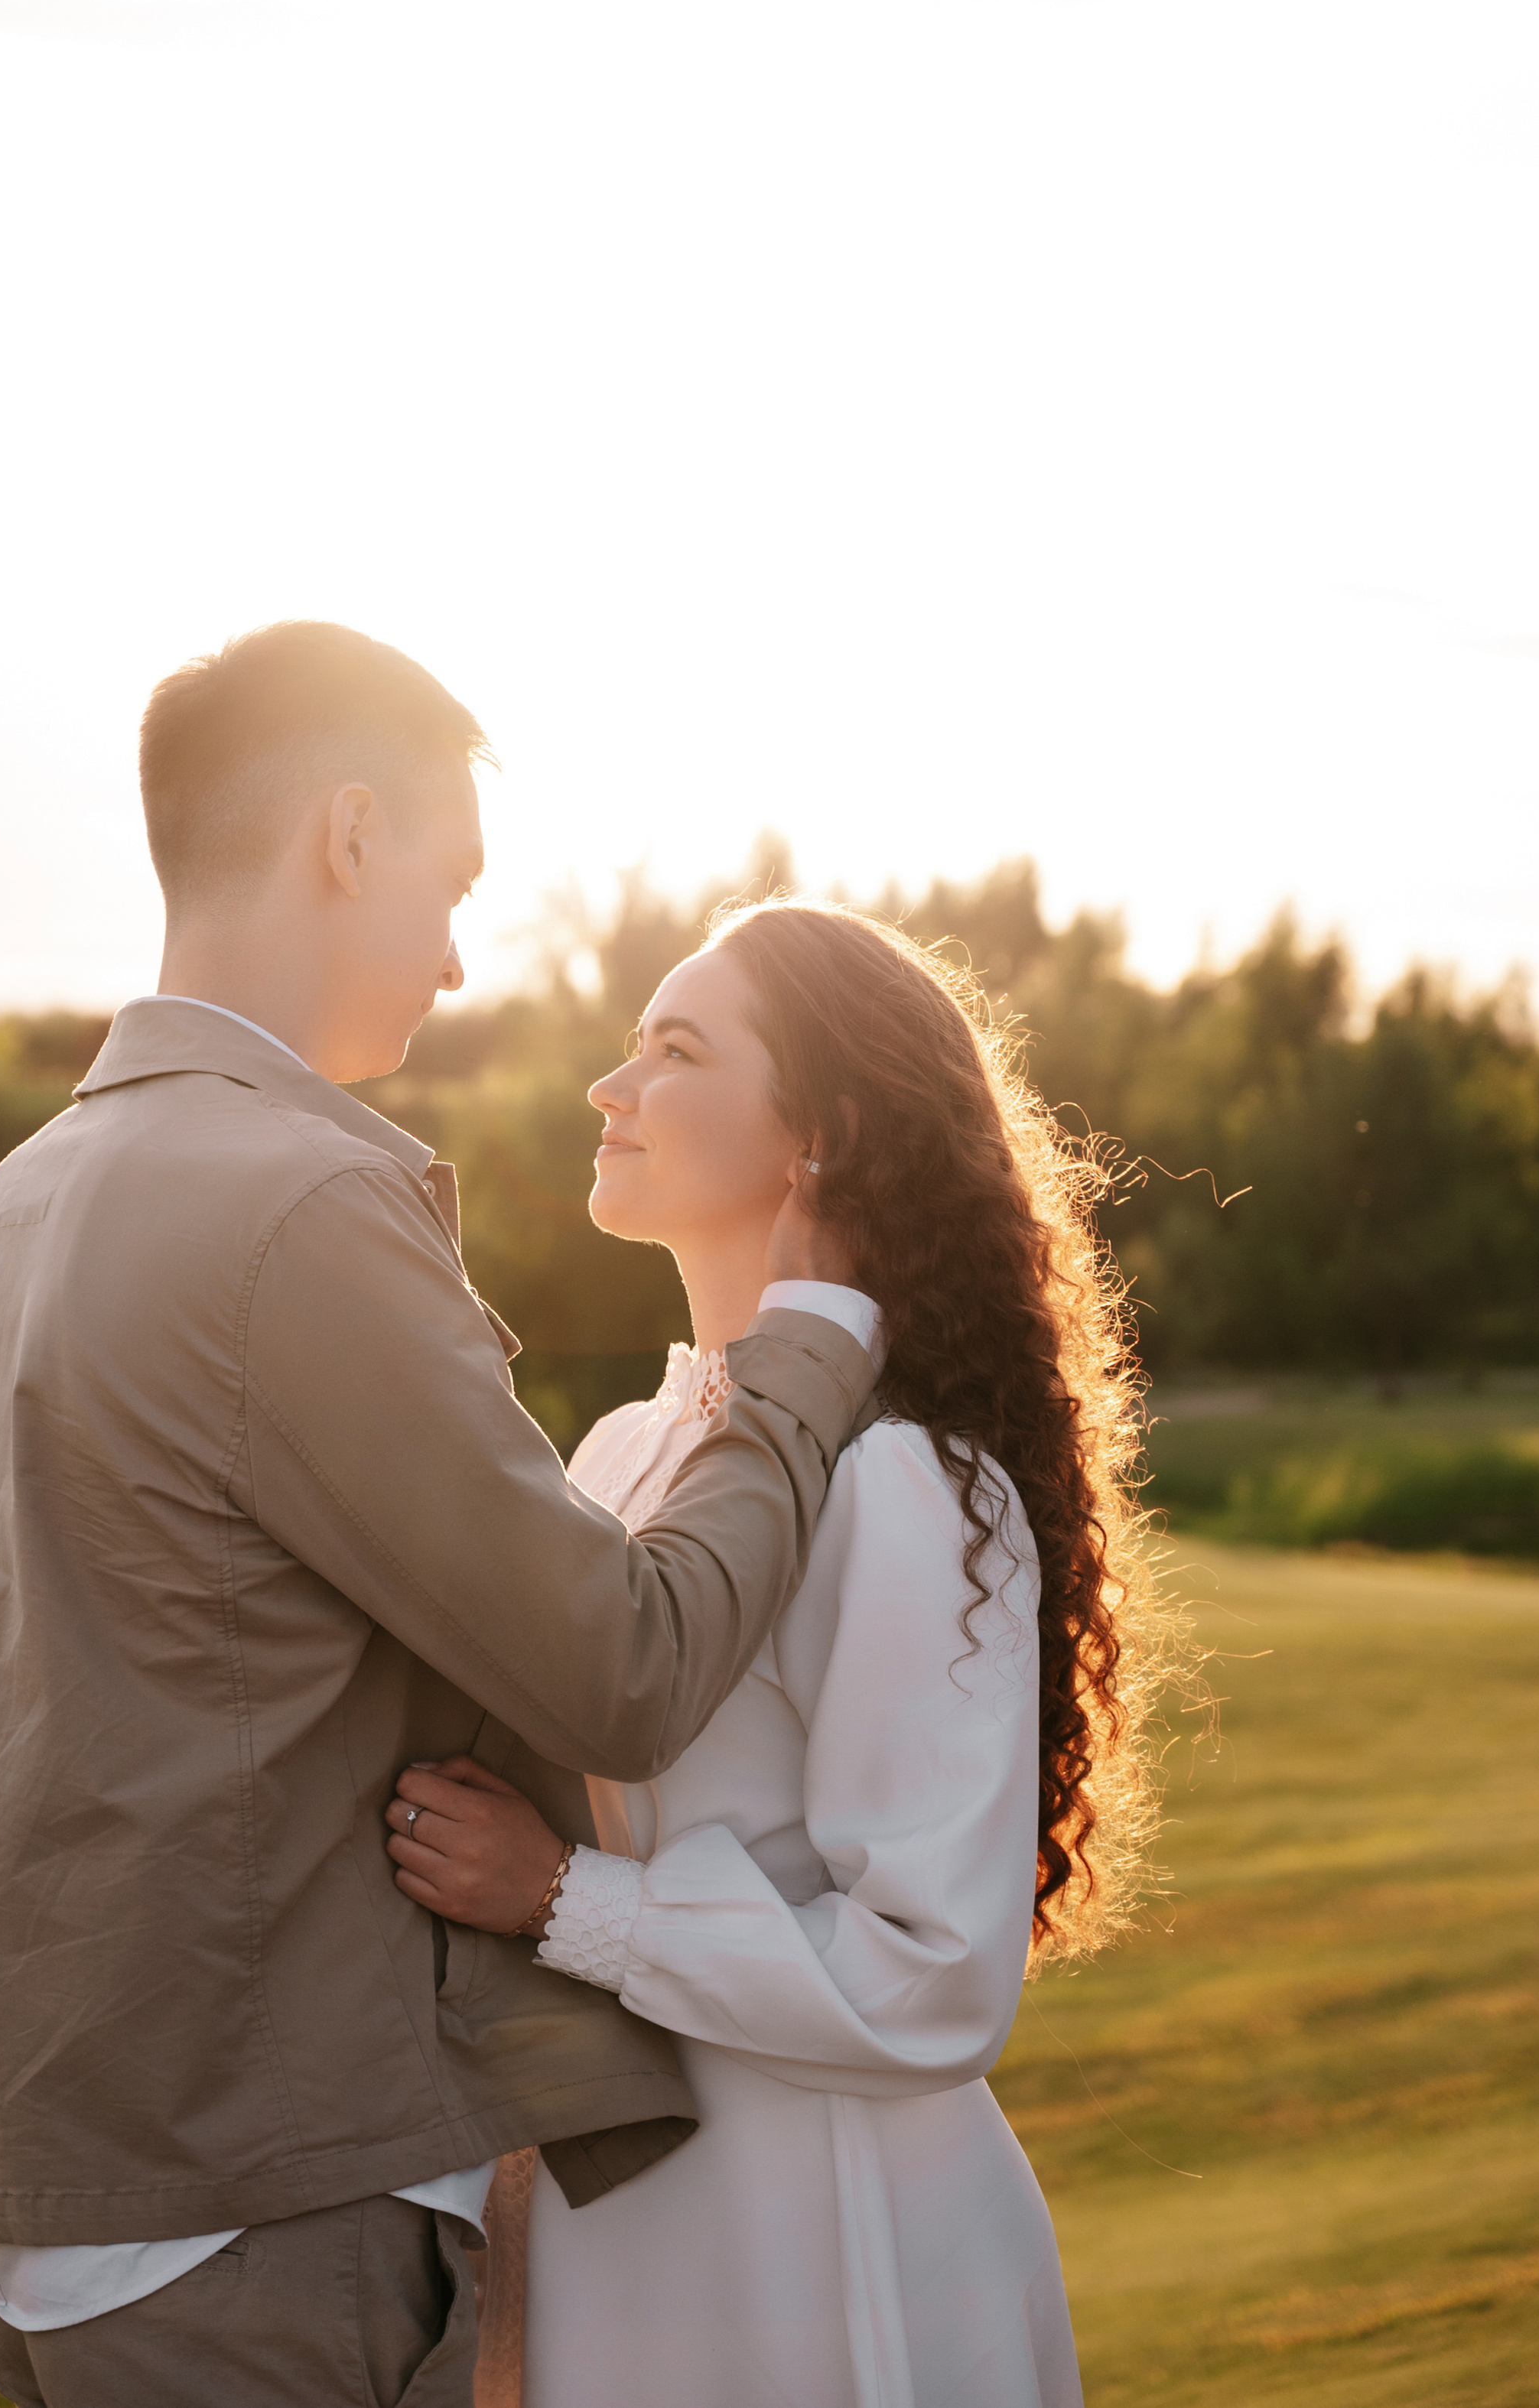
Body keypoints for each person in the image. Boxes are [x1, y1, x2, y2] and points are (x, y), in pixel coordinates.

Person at [0, 624, 881, 2408]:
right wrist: (808, 1357)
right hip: (259, 2222)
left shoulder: (5, 1216)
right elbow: (622, 1663)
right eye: (450, 881)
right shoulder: (298, 1203)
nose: (455, 949)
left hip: (55, 2222)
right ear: (347, 831)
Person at [388, 898, 1186, 2408]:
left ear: (815, 1133)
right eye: (626, 1047)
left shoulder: (897, 1485)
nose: (605, 1090)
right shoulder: (620, 1445)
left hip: (819, 2245)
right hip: (621, 2226)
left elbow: (932, 1972)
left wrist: (564, 1898)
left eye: (673, 1050)